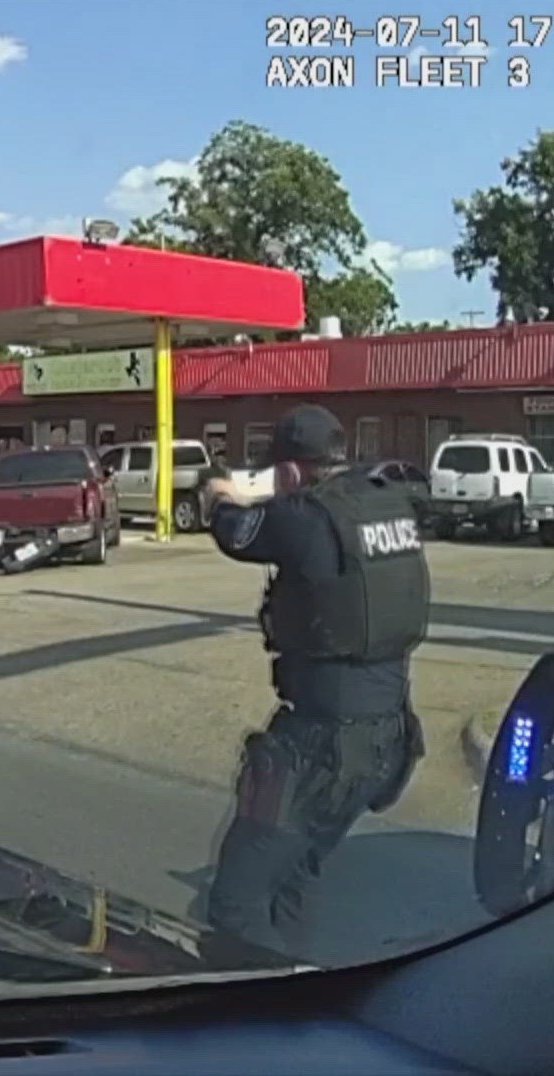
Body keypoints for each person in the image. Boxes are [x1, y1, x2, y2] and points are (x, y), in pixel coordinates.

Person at [201, 403, 429, 955]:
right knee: (297, 872)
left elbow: (233, 529)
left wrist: (219, 492)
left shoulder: (303, 516)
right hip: (387, 734)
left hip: (321, 746)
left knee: (235, 901)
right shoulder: (386, 506)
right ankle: (297, 996)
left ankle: (254, 1014)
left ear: (291, 471)